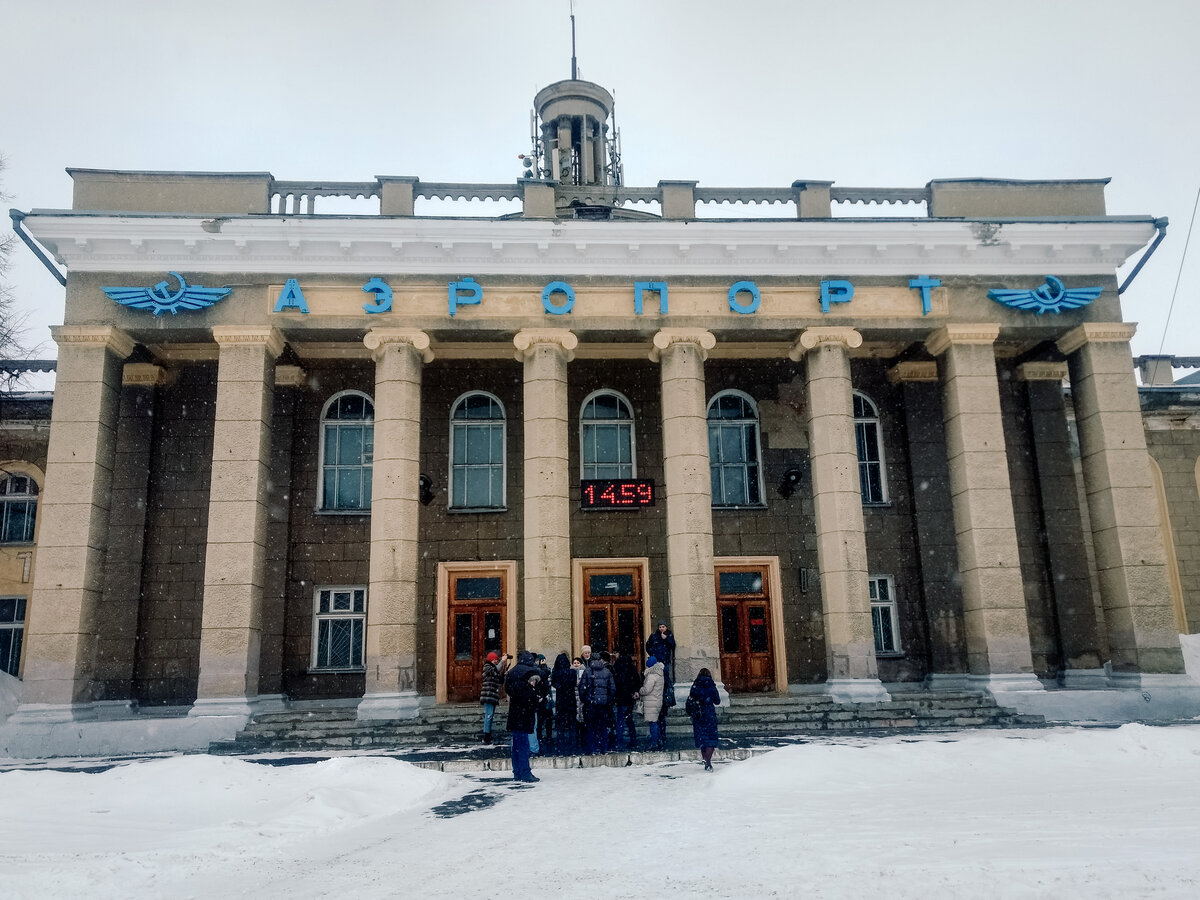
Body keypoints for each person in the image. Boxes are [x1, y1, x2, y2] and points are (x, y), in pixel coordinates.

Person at [504, 650, 541, 782]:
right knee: (524, 744)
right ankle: (525, 772)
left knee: (516, 745)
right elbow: (531, 692)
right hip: (525, 712)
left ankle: (517, 772)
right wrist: (535, 698)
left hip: (515, 712)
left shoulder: (512, 671)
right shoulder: (529, 672)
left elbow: (508, 689)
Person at [579, 650, 616, 754]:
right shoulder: (606, 671)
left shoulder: (587, 671)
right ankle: (603, 747)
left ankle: (592, 748)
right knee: (603, 726)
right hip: (603, 703)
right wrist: (607, 699)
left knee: (590, 726)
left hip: (591, 702)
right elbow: (612, 688)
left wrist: (585, 699)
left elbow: (582, 687)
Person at [688, 667, 721, 771]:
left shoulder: (695, 685)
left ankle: (704, 758)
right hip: (709, 714)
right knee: (711, 738)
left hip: (698, 714)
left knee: (702, 737)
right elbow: (717, 701)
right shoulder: (711, 686)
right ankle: (708, 761)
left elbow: (691, 699)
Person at [479, 651, 510, 745]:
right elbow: (495, 671)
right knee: (489, 716)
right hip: (488, 695)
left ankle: (488, 735)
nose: (497, 661)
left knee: (490, 715)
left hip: (491, 695)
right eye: (496, 659)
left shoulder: (492, 668)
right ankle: (486, 736)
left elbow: (499, 680)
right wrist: (502, 662)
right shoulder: (487, 667)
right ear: (492, 660)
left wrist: (504, 673)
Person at [612, 652, 641, 749]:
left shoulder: (617, 667)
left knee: (620, 719)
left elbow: (615, 682)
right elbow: (637, 681)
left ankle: (619, 739)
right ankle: (633, 739)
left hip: (620, 697)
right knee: (629, 719)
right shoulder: (631, 668)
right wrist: (635, 691)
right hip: (629, 697)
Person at [551, 653, 578, 754]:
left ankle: (560, 743)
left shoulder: (556, 673)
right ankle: (573, 743)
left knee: (561, 723)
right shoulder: (572, 672)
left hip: (561, 699)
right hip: (571, 699)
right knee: (572, 723)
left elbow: (554, 683)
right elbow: (574, 683)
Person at [639, 655, 666, 751]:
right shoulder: (659, 673)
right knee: (655, 722)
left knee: (653, 723)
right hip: (657, 700)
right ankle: (659, 741)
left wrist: (640, 690)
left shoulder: (652, 675)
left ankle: (655, 743)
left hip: (651, 701)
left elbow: (647, 689)